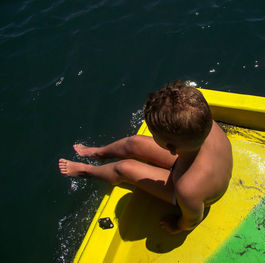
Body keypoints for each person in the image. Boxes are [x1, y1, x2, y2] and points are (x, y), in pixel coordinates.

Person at [59, 80, 233, 234]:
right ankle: (99, 153)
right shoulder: (206, 126)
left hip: (194, 185)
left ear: (171, 148)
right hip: (190, 159)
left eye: (154, 135)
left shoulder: (187, 188)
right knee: (133, 143)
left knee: (123, 168)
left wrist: (179, 226)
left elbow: (193, 219)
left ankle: (87, 171)